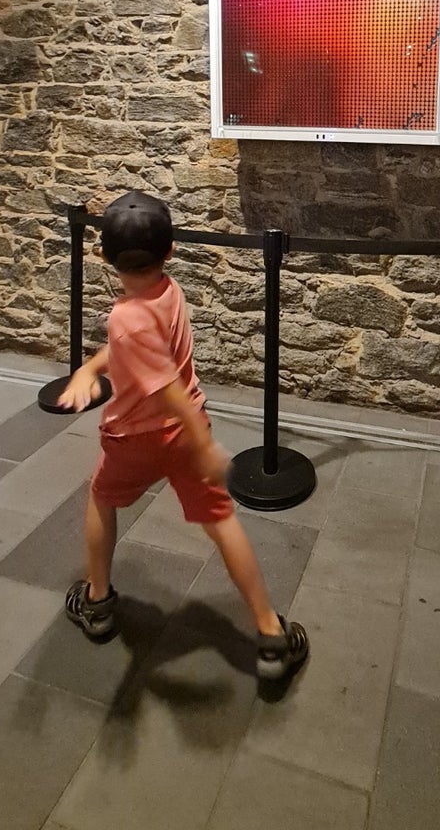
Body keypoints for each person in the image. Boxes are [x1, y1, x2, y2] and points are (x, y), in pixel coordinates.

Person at [57, 189, 309, 682]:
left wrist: (206, 444)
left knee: (102, 499)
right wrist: (90, 366)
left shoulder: (125, 316)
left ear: (103, 256)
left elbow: (164, 383)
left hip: (138, 438)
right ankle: (269, 631)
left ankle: (98, 601)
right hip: (186, 437)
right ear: (170, 250)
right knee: (221, 522)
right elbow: (136, 349)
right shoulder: (167, 291)